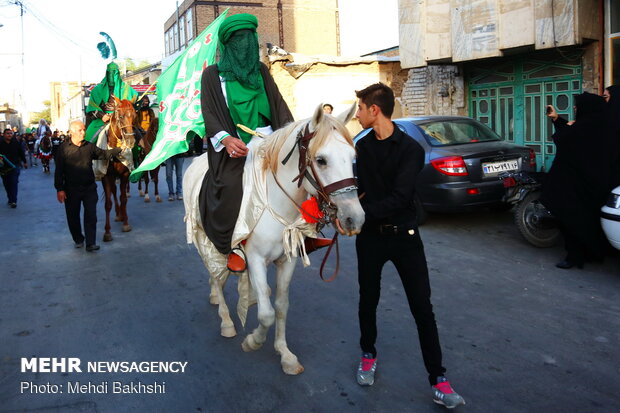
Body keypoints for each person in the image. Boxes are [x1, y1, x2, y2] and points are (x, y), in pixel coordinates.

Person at [353, 83, 465, 409]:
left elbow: (400, 198)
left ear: (375, 110)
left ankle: (439, 380)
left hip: (405, 238)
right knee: (367, 300)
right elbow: (357, 189)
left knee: (422, 308)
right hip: (370, 239)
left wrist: (358, 214)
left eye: (360, 108)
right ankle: (368, 354)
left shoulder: (411, 150)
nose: (356, 113)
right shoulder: (362, 147)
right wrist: (342, 212)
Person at [199, 13, 295, 272]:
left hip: (269, 141)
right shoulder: (212, 75)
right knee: (231, 186)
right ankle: (236, 245)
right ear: (227, 44)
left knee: (301, 175)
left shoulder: (262, 71)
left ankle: (303, 232)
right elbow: (208, 112)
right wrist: (226, 138)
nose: (244, 43)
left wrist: (289, 136)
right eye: (238, 39)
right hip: (236, 147)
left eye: (248, 37)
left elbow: (279, 107)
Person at [543, 93, 611, 268]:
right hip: (590, 184)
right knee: (587, 220)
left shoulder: (585, 127)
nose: (574, 107)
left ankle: (574, 258)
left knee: (572, 219)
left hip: (575, 185)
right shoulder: (599, 125)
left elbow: (564, 139)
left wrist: (566, 126)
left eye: (577, 105)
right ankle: (589, 253)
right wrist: (558, 119)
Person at [54, 121, 121, 252]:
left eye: (84, 129)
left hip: (89, 188)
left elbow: (104, 154)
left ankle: (91, 243)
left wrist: (120, 149)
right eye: (80, 130)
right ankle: (78, 239)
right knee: (72, 216)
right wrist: (59, 189)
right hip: (71, 189)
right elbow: (59, 171)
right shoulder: (63, 149)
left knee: (91, 215)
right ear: (71, 132)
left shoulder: (89, 147)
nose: (83, 132)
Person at [85, 62, 138, 142]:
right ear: (106, 73)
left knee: (139, 137)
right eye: (110, 72)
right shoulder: (97, 89)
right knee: (89, 138)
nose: (112, 74)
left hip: (122, 119)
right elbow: (92, 107)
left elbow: (133, 98)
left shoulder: (126, 88)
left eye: (115, 72)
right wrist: (102, 115)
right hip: (103, 119)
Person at [0, 128, 28, 208]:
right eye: (7, 133)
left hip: (14, 166)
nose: (9, 135)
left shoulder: (16, 143)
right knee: (6, 184)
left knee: (13, 182)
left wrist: (25, 162)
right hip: (3, 168)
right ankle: (10, 198)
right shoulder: (0, 143)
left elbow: (21, 152)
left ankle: (13, 201)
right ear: (4, 134)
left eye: (10, 133)